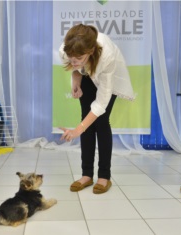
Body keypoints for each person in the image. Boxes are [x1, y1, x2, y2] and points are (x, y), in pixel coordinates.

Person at [59, 24, 135, 194]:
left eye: (78, 57)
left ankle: (104, 176)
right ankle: (86, 175)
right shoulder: (66, 50)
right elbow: (75, 67)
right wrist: (76, 80)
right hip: (88, 73)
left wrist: (77, 130)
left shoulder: (107, 56)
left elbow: (101, 104)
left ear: (91, 51)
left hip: (108, 76)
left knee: (101, 121)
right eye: (71, 57)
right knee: (86, 117)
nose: (73, 60)